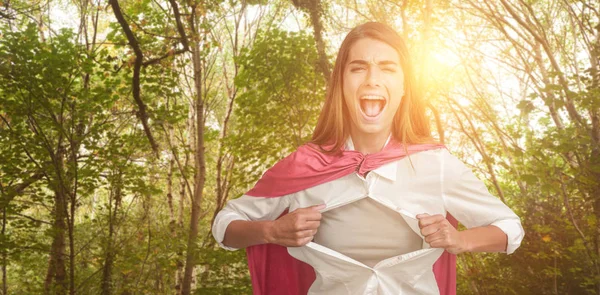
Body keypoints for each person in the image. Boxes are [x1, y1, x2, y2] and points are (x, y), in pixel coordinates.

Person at [212, 22, 524, 295]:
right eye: (358, 67)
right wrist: (271, 232)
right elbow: (225, 224)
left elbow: (509, 228)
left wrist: (460, 240)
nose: (372, 79)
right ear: (341, 84)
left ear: (403, 87)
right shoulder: (304, 166)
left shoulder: (436, 165)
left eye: (388, 68)